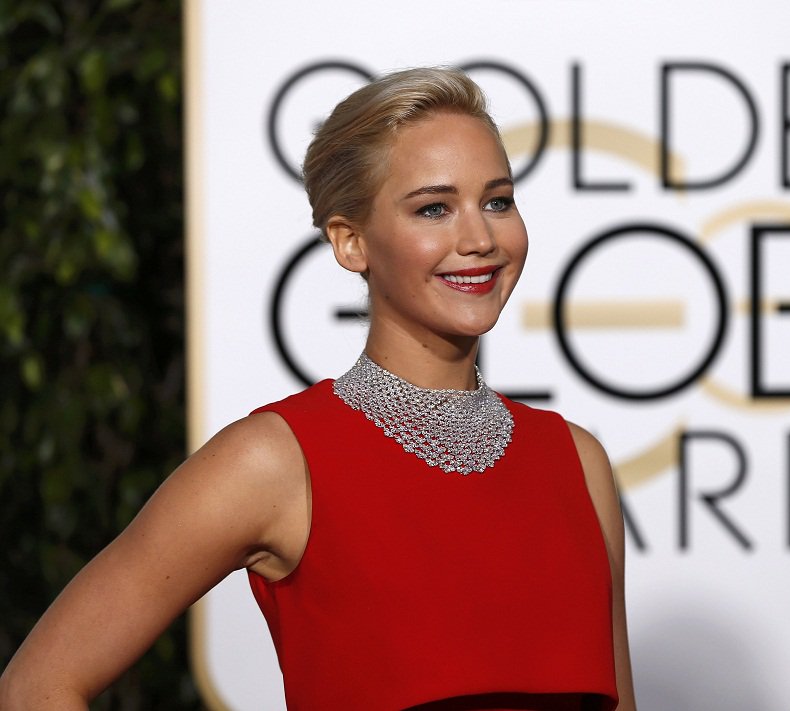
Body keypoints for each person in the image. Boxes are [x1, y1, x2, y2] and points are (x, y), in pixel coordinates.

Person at [0, 67, 636, 710]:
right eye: (434, 209)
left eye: (497, 201)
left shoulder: (575, 462)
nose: (479, 239)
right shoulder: (277, 462)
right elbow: (37, 686)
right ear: (350, 241)